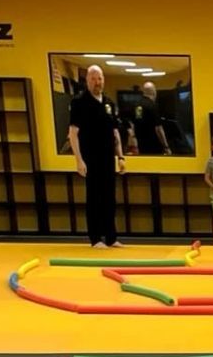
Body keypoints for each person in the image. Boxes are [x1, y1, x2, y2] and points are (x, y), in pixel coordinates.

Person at [67, 64, 125, 248]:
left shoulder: (109, 103)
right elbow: (73, 133)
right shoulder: (79, 102)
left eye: (99, 78)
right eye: (93, 79)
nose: (97, 82)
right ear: (87, 81)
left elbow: (115, 132)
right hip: (90, 157)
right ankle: (95, 238)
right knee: (94, 198)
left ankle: (111, 237)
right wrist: (79, 160)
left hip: (108, 157)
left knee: (109, 197)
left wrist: (121, 157)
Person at [131, 81, 171, 156]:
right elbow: (158, 128)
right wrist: (166, 146)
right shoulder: (152, 106)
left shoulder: (137, 105)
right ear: (153, 91)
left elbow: (135, 124)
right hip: (154, 145)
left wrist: (135, 143)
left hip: (141, 144)